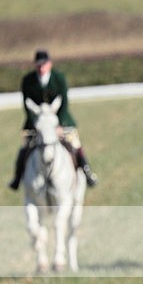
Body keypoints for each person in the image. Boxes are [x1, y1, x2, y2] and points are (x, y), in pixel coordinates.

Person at [8, 50, 98, 190]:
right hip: (36, 123)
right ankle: (17, 177)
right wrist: (36, 124)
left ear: (49, 64)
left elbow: (64, 103)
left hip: (61, 122)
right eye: (38, 65)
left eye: (44, 64)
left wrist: (59, 125)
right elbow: (27, 105)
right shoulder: (28, 81)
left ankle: (87, 172)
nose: (41, 68)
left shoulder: (59, 78)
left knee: (74, 143)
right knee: (25, 147)